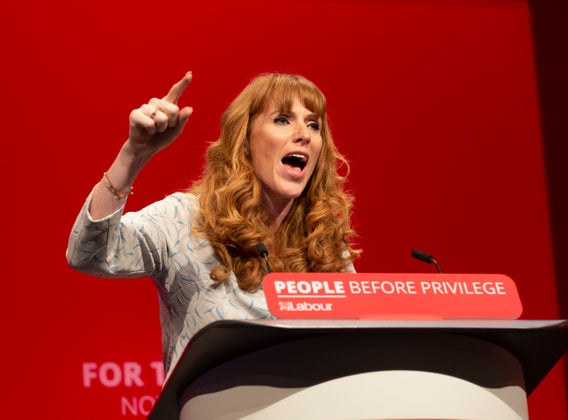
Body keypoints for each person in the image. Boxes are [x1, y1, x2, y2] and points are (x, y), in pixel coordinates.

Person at [66, 71, 361, 380]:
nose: (304, 134)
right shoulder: (185, 219)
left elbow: (354, 351)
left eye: (314, 125)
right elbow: (89, 253)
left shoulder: (324, 241)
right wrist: (134, 155)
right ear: (244, 139)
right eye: (283, 120)